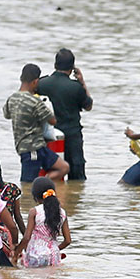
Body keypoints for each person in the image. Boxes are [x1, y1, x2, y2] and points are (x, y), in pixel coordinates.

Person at [3, 63, 69, 184]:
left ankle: (42, 184)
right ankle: (31, 196)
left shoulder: (12, 99)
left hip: (31, 147)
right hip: (32, 150)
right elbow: (52, 120)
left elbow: (6, 115)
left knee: (64, 167)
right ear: (35, 82)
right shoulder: (35, 102)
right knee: (27, 184)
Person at [38, 50, 93, 181]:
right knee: (77, 176)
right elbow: (89, 106)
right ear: (72, 67)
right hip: (72, 136)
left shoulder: (41, 84)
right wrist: (82, 82)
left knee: (48, 173)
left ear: (55, 64)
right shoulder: (75, 87)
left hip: (48, 136)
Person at [14, 176, 70, 268]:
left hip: (36, 255)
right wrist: (55, 249)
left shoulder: (35, 212)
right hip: (54, 255)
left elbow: (27, 237)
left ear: (35, 196)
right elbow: (67, 240)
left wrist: (16, 253)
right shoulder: (62, 212)